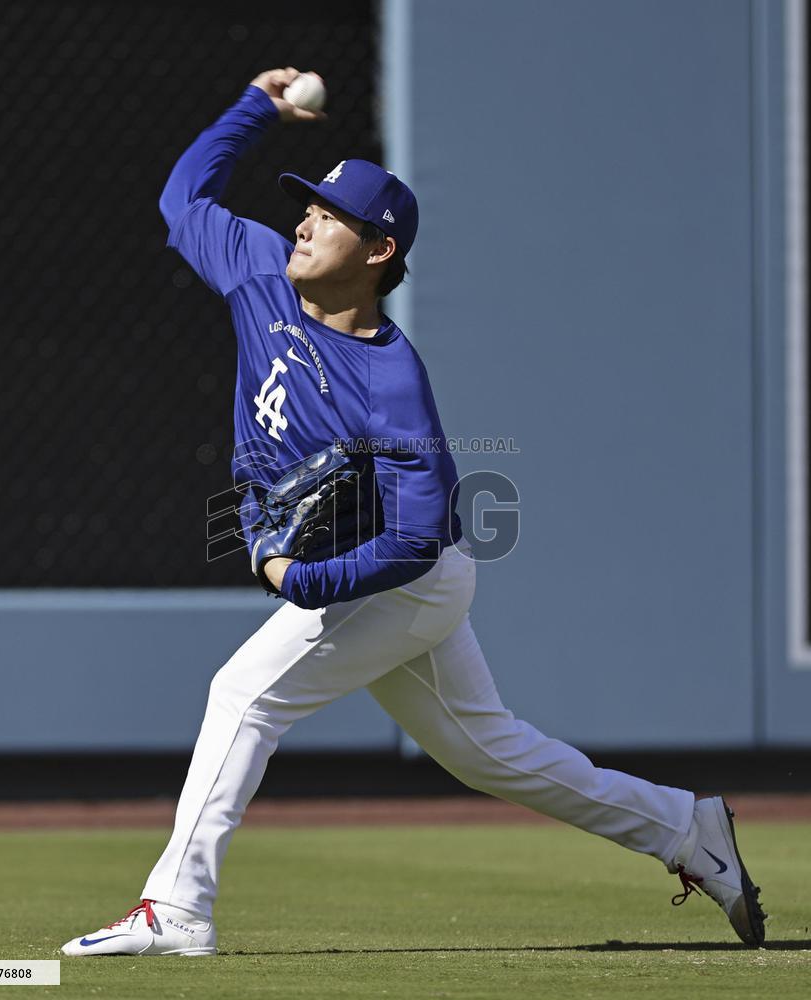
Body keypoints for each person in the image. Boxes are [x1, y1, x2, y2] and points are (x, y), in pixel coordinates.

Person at [61, 67, 765, 957]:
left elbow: (416, 537)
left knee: (242, 695)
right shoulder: (258, 271)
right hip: (380, 577)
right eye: (306, 205)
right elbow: (182, 200)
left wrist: (303, 579)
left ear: (377, 251)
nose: (304, 220)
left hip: (400, 581)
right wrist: (253, 110)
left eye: (328, 214)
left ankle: (176, 908)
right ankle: (685, 827)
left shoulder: (390, 382)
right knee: (488, 752)